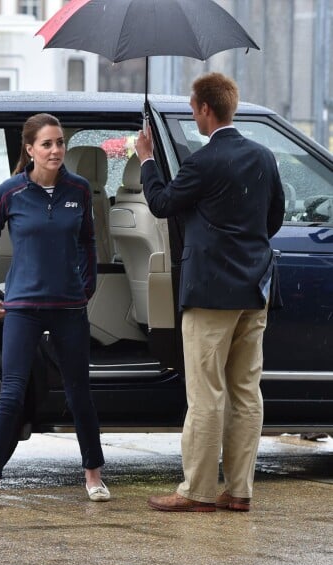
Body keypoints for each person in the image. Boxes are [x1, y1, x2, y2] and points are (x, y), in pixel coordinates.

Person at [135, 72, 285, 512]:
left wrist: (146, 160)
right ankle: (239, 490)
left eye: (193, 106)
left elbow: (162, 204)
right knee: (245, 391)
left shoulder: (203, 162)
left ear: (204, 109)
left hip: (209, 294)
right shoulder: (263, 157)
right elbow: (272, 219)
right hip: (255, 290)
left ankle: (196, 491)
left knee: (205, 394)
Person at [0, 113, 110, 509]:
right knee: (12, 393)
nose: (56, 150)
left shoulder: (79, 190)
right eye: (47, 144)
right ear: (30, 149)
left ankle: (94, 476)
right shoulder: (10, 192)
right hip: (24, 309)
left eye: (60, 142)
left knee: (79, 392)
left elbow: (87, 241)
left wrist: (87, 286)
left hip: (69, 308)